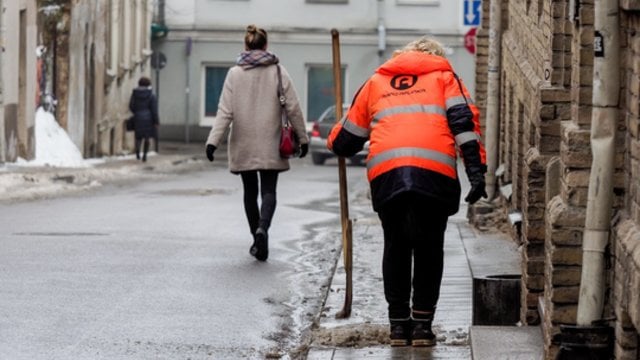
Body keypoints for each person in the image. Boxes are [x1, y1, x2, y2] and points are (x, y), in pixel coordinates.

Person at [327, 37, 487, 347]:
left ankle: (398, 327)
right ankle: (422, 327)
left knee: (396, 247)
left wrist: (334, 137)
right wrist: (476, 171)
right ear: (436, 57)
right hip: (434, 175)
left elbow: (345, 141)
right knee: (429, 249)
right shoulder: (445, 77)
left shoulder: (376, 81)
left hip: (388, 175)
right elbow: (464, 124)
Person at [205, 24, 309, 262]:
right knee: (269, 191)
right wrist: (302, 139)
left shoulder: (234, 74)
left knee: (250, 193)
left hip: (244, 142)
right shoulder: (279, 72)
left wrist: (213, 142)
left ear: (245, 46)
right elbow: (293, 108)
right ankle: (263, 228)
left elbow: (225, 111)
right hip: (272, 142)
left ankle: (256, 238)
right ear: (266, 45)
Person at [129, 76, 159, 162]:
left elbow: (131, 105)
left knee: (138, 137)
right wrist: (156, 121)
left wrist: (137, 112)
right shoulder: (151, 95)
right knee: (147, 137)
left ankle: (137, 152)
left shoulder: (134, 94)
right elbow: (154, 110)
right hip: (148, 118)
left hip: (138, 117)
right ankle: (145, 155)